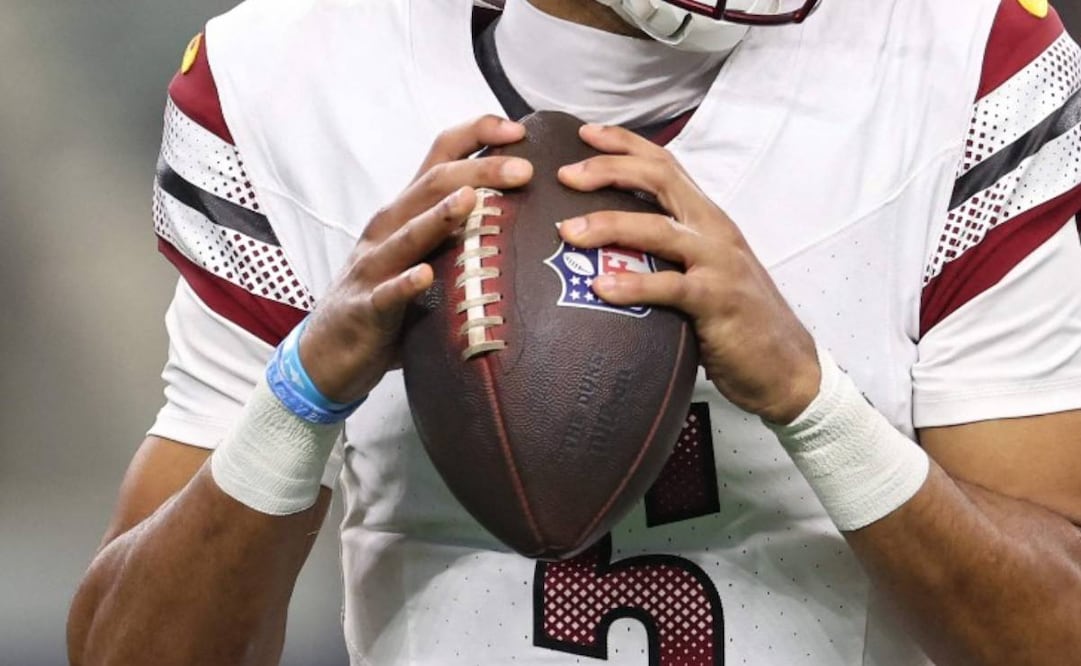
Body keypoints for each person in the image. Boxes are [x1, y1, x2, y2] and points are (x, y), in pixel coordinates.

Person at [68, 0, 1081, 664]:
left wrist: (814, 403)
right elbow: (129, 650)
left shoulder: (971, 62)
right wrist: (300, 396)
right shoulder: (280, 78)